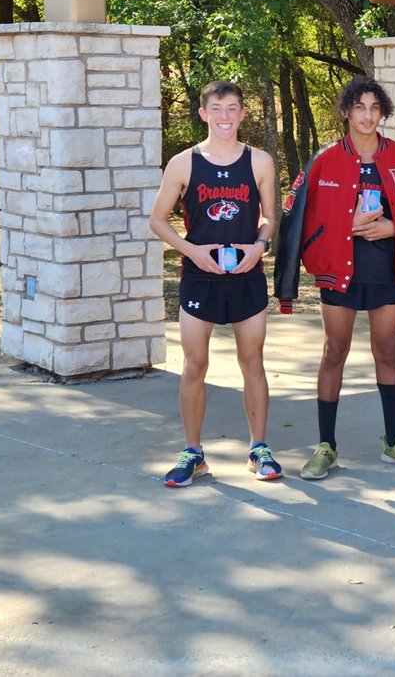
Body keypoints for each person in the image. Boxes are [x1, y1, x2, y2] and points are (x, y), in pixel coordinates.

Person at [275, 76, 395, 479]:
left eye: (375, 108)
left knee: (387, 352)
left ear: (383, 113)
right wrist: (345, 225)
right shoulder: (324, 161)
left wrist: (394, 228)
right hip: (338, 272)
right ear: (346, 111)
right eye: (360, 107)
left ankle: (394, 441)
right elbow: (296, 217)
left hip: (386, 271)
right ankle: (326, 446)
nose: (367, 115)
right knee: (335, 351)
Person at [148, 80, 282, 487]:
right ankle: (193, 453)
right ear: (204, 113)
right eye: (217, 109)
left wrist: (259, 246)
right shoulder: (183, 163)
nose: (225, 116)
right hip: (199, 277)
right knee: (194, 365)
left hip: (246, 276)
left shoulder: (259, 162)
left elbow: (269, 217)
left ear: (243, 114)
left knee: (252, 361)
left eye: (233, 108)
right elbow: (158, 220)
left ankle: (259, 448)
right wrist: (191, 251)